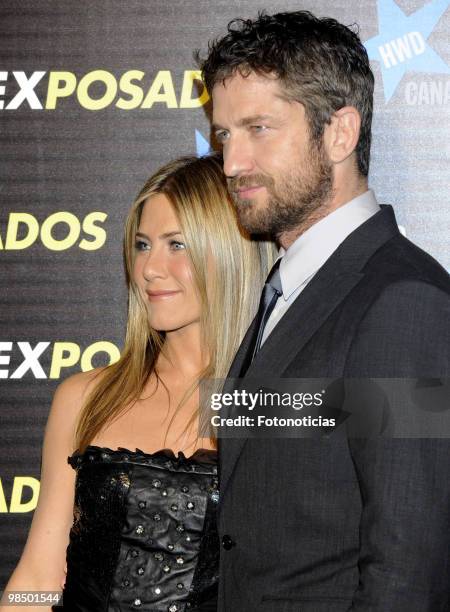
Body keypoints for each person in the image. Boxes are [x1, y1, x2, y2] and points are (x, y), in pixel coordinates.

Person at [199, 11, 450, 611]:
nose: (232, 163)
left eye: (258, 129)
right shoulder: (289, 285)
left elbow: (408, 563)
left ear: (340, 133)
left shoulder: (402, 302)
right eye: (224, 135)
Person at [1, 154, 274, 612]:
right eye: (143, 245)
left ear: (229, 251)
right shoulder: (86, 397)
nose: (149, 268)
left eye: (177, 245)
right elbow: (40, 577)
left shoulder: (276, 401)